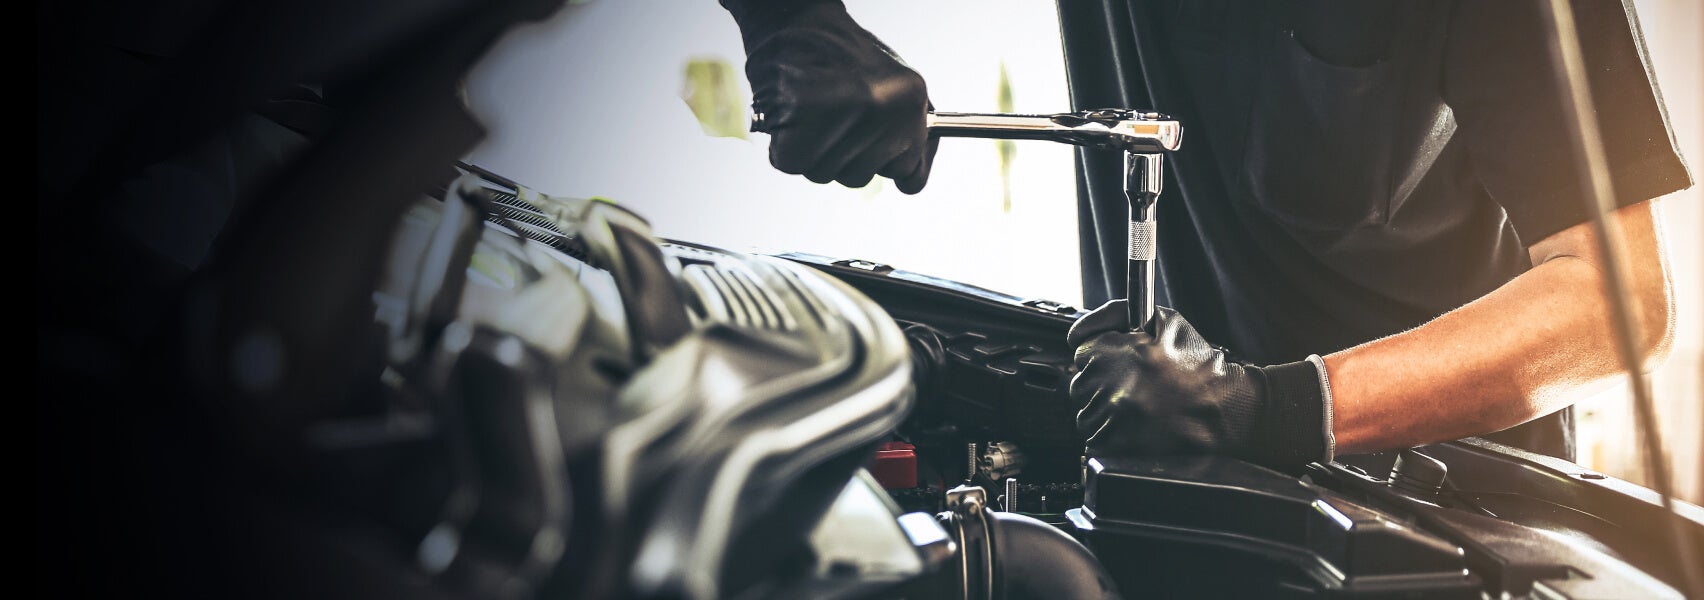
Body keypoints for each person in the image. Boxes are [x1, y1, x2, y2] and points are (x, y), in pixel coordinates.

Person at [718, 0, 1693, 469]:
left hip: (1448, 515)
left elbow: (1618, 302)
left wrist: (1275, 410)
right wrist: (787, 19)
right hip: (1172, 487)